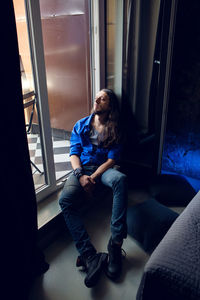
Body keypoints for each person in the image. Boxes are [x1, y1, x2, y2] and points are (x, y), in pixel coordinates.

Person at [59, 88, 128, 288]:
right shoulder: (80, 125)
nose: (97, 99)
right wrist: (81, 176)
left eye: (103, 98)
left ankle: (115, 246)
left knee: (120, 180)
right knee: (65, 200)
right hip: (82, 170)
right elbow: (74, 154)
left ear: (110, 105)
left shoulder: (116, 128)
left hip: (103, 170)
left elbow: (112, 159)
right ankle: (89, 256)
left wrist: (93, 178)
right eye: (97, 97)